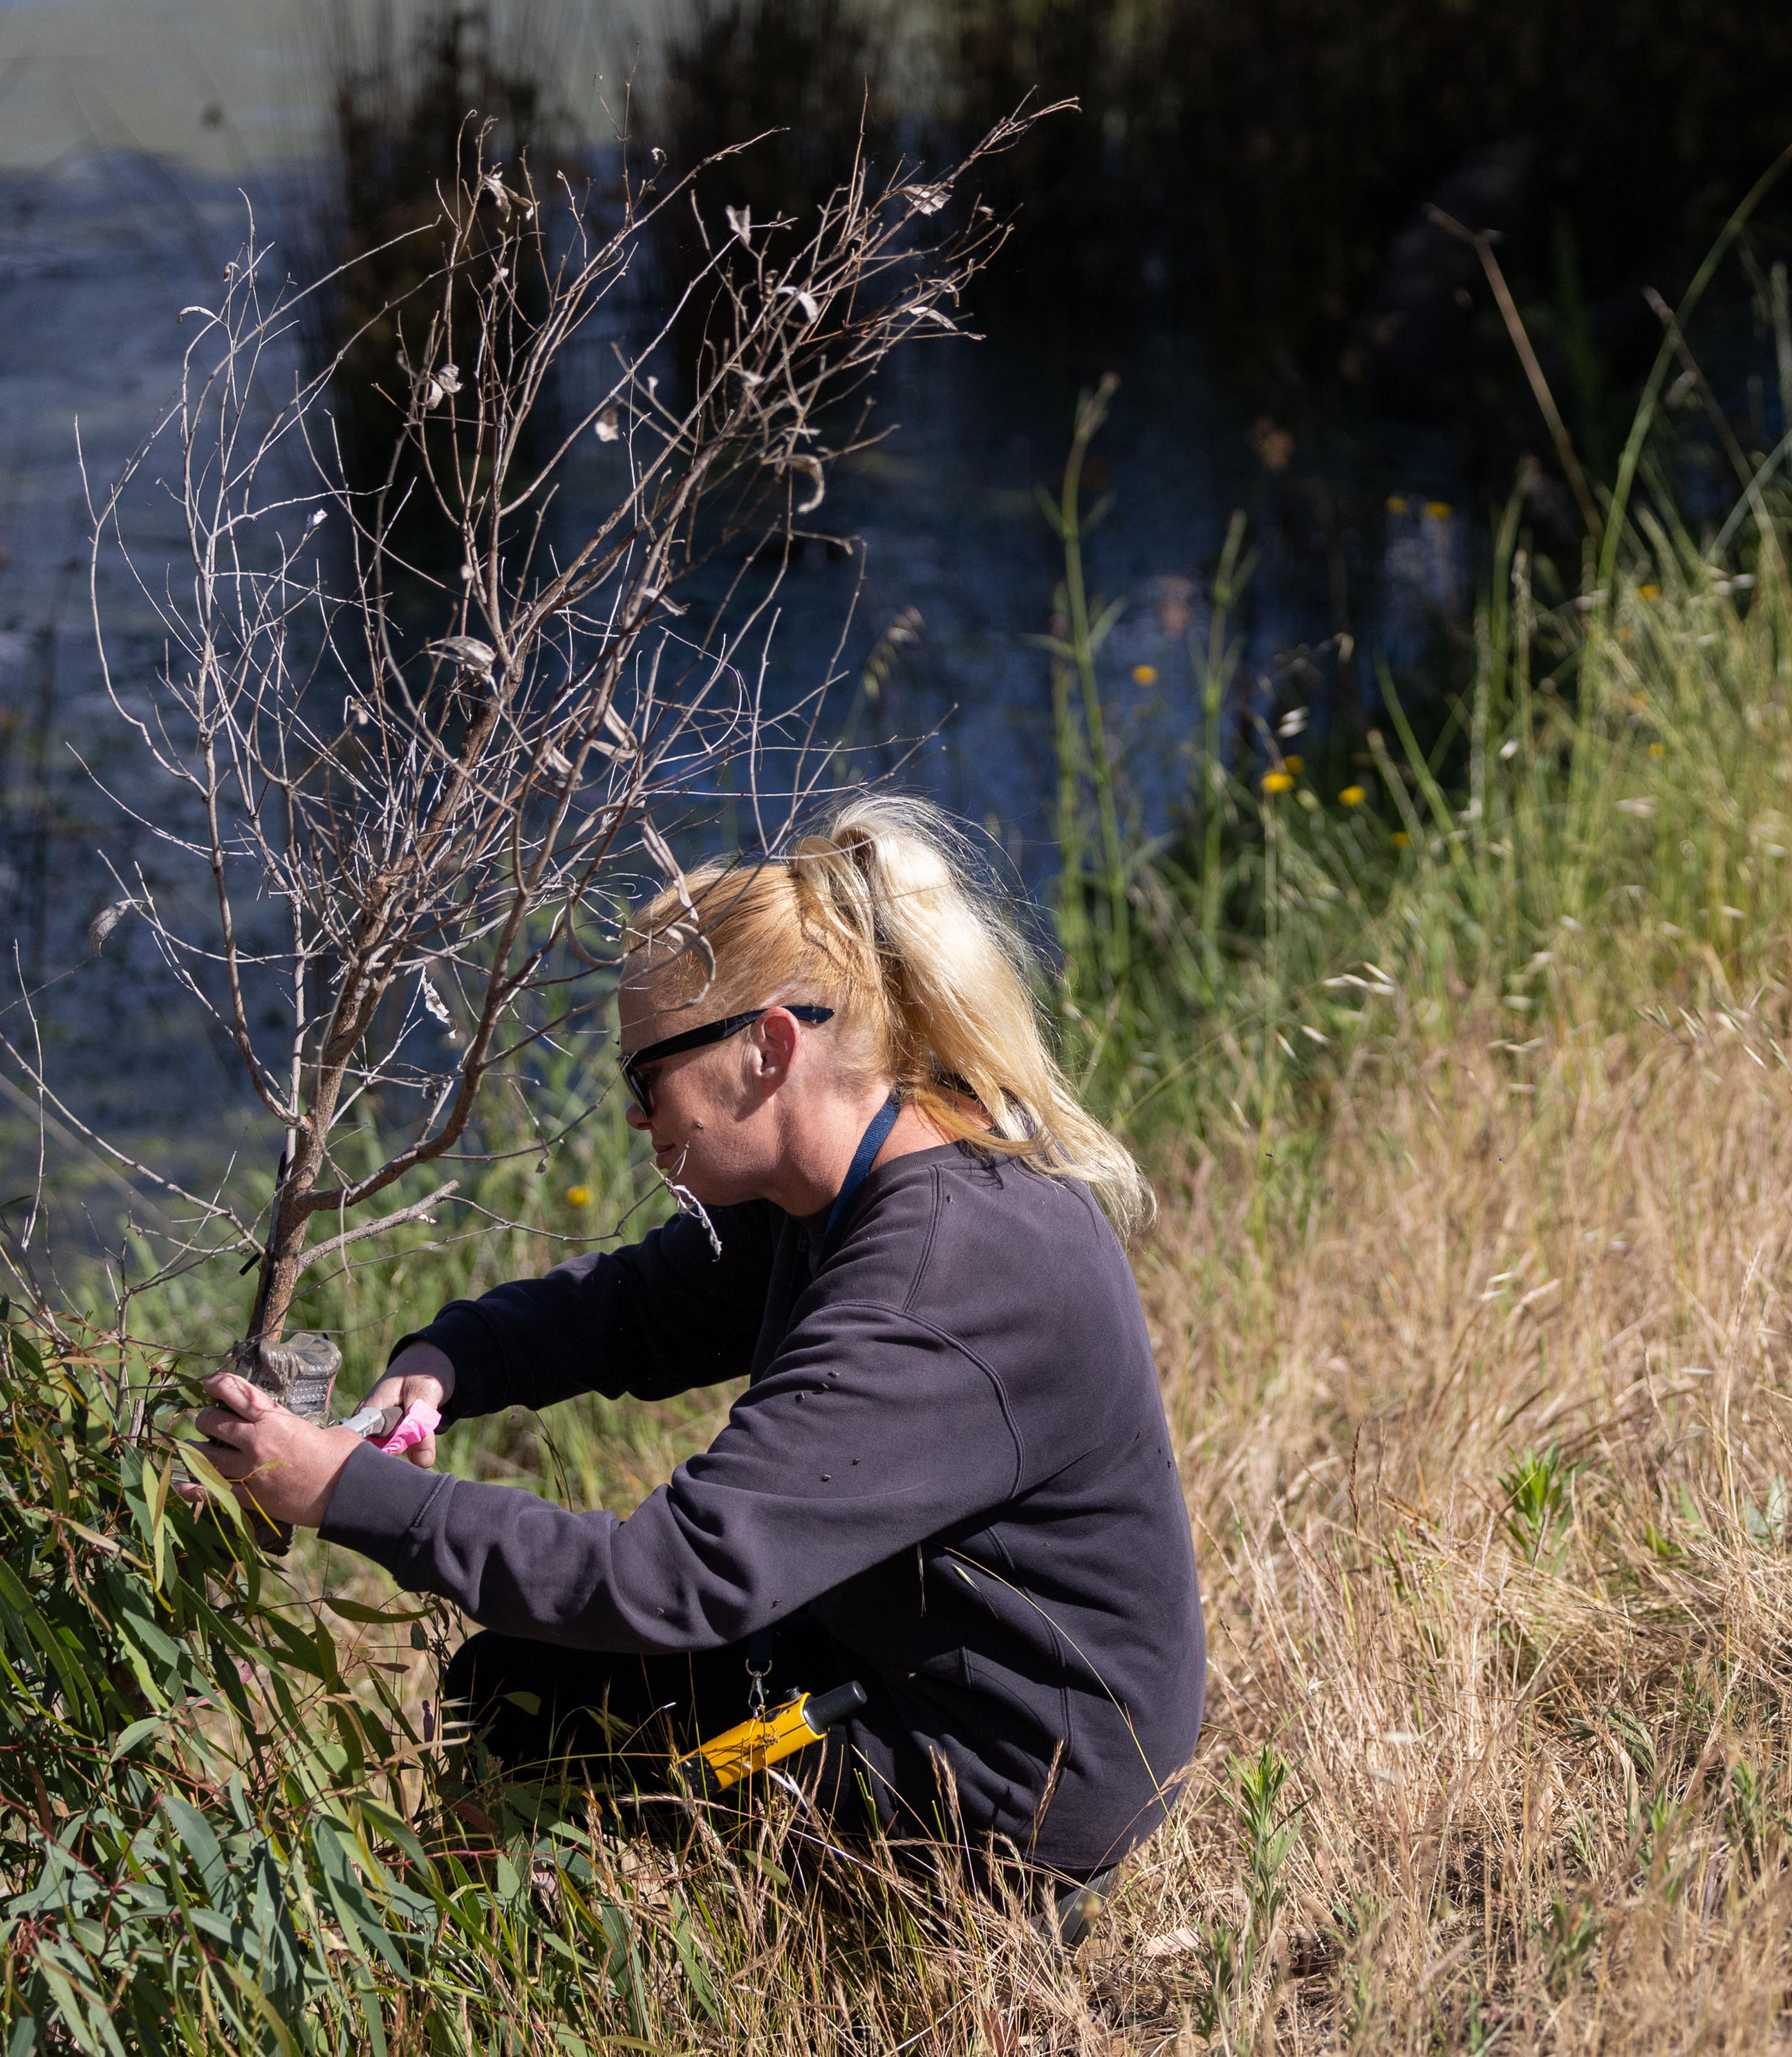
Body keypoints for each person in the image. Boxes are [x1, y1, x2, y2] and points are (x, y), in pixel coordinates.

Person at [189, 796, 1204, 1897]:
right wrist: (449, 1357)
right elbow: (632, 1309)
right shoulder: (849, 1184)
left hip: (1007, 1784)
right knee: (519, 1684)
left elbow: (667, 1579)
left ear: (767, 1049)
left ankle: (484, 1987)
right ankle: (471, 1960)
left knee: (542, 1711)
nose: (637, 1118)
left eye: (645, 1077)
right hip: (923, 1677)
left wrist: (343, 1492)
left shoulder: (938, 1278)